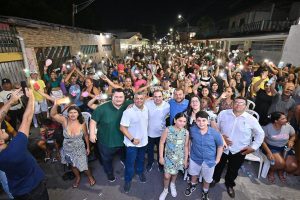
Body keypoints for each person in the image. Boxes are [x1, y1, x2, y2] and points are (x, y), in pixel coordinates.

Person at [0, 88, 49, 199]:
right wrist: (31, 97)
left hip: (18, 193)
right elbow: (27, 119)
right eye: (0, 131)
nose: (2, 129)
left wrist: (10, 101)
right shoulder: (15, 148)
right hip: (35, 190)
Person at [212, 96, 265, 198]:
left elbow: (260, 134)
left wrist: (253, 147)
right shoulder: (223, 114)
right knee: (218, 165)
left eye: (241, 103)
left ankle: (229, 184)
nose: (238, 105)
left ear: (245, 106)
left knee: (233, 169)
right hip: (222, 147)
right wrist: (220, 137)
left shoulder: (251, 119)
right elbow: (217, 127)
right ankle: (215, 179)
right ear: (232, 103)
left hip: (239, 149)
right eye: (236, 102)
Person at [90, 88, 132, 182]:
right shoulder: (102, 108)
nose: (118, 99)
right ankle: (109, 173)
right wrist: (92, 134)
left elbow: (142, 99)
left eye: (121, 97)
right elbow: (93, 120)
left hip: (123, 140)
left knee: (124, 154)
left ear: (124, 98)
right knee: (106, 160)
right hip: (106, 142)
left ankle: (123, 160)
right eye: (116, 97)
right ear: (112, 97)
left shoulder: (128, 104)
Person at [50, 103, 95, 188]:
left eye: (75, 112)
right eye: (71, 112)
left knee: (84, 166)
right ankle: (77, 177)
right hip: (67, 148)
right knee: (73, 165)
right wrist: (56, 103)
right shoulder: (64, 121)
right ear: (68, 114)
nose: (73, 114)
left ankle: (90, 176)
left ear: (78, 114)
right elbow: (52, 114)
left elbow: (86, 135)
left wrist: (88, 147)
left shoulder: (82, 123)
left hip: (79, 148)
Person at [184, 111, 223, 200]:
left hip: (209, 161)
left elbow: (220, 146)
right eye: (199, 120)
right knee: (193, 174)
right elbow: (190, 140)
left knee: (207, 178)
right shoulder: (193, 130)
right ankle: (193, 185)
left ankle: (205, 191)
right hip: (195, 158)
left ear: (208, 121)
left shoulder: (214, 133)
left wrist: (217, 160)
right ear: (195, 121)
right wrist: (189, 152)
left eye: (203, 120)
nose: (201, 123)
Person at [120, 92, 148, 193]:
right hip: (131, 144)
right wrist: (132, 139)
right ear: (133, 99)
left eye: (141, 98)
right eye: (137, 98)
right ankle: (128, 180)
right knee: (130, 163)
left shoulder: (146, 108)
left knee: (141, 160)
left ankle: (140, 172)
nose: (139, 100)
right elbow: (122, 127)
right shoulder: (128, 112)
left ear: (144, 99)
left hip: (143, 142)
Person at [158, 113, 189, 200]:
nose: (182, 123)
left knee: (175, 173)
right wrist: (161, 157)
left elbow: (186, 146)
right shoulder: (168, 130)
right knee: (166, 176)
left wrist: (185, 160)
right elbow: (161, 143)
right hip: (168, 157)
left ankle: (172, 184)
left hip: (179, 157)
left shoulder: (186, 132)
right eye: (180, 121)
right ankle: (165, 190)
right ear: (175, 120)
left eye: (184, 121)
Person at [262, 112, 298, 183]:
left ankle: (280, 170)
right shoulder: (267, 127)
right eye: (283, 119)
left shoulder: (288, 126)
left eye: (285, 118)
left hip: (285, 148)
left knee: (293, 166)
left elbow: (294, 135)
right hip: (271, 147)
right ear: (276, 121)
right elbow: (262, 141)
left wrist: (291, 141)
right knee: (280, 163)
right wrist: (269, 152)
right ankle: (272, 171)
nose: (286, 120)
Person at [145, 90, 170, 172]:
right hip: (149, 133)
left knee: (161, 150)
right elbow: (139, 102)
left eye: (159, 96)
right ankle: (150, 163)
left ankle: (161, 164)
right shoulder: (148, 104)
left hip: (161, 133)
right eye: (155, 96)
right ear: (153, 97)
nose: (157, 98)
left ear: (162, 97)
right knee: (150, 150)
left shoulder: (167, 105)